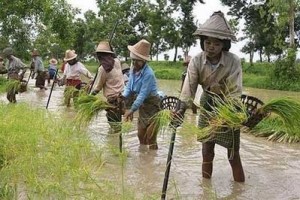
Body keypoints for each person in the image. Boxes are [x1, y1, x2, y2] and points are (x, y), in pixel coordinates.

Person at [178, 11, 245, 182]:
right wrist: (180, 110)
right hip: (207, 105)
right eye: (207, 42)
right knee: (207, 151)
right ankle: (205, 189)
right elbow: (189, 88)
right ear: (202, 43)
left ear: (224, 45)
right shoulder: (197, 61)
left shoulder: (233, 61)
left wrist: (225, 117)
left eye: (216, 43)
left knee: (232, 153)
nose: (211, 47)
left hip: (228, 107)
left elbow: (234, 92)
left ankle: (239, 185)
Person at [122, 39, 161, 150]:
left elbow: (142, 95)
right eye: (133, 60)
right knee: (141, 135)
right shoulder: (133, 69)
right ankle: (143, 158)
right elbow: (129, 87)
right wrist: (123, 97)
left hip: (153, 105)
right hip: (143, 106)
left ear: (144, 61)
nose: (135, 63)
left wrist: (131, 110)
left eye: (137, 61)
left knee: (151, 136)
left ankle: (152, 158)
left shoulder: (148, 74)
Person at [91, 41, 125, 133]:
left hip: (113, 100)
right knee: (118, 123)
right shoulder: (117, 62)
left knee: (115, 125)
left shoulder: (102, 69)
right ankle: (117, 141)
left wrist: (90, 96)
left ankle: (114, 142)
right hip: (123, 97)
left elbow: (98, 87)